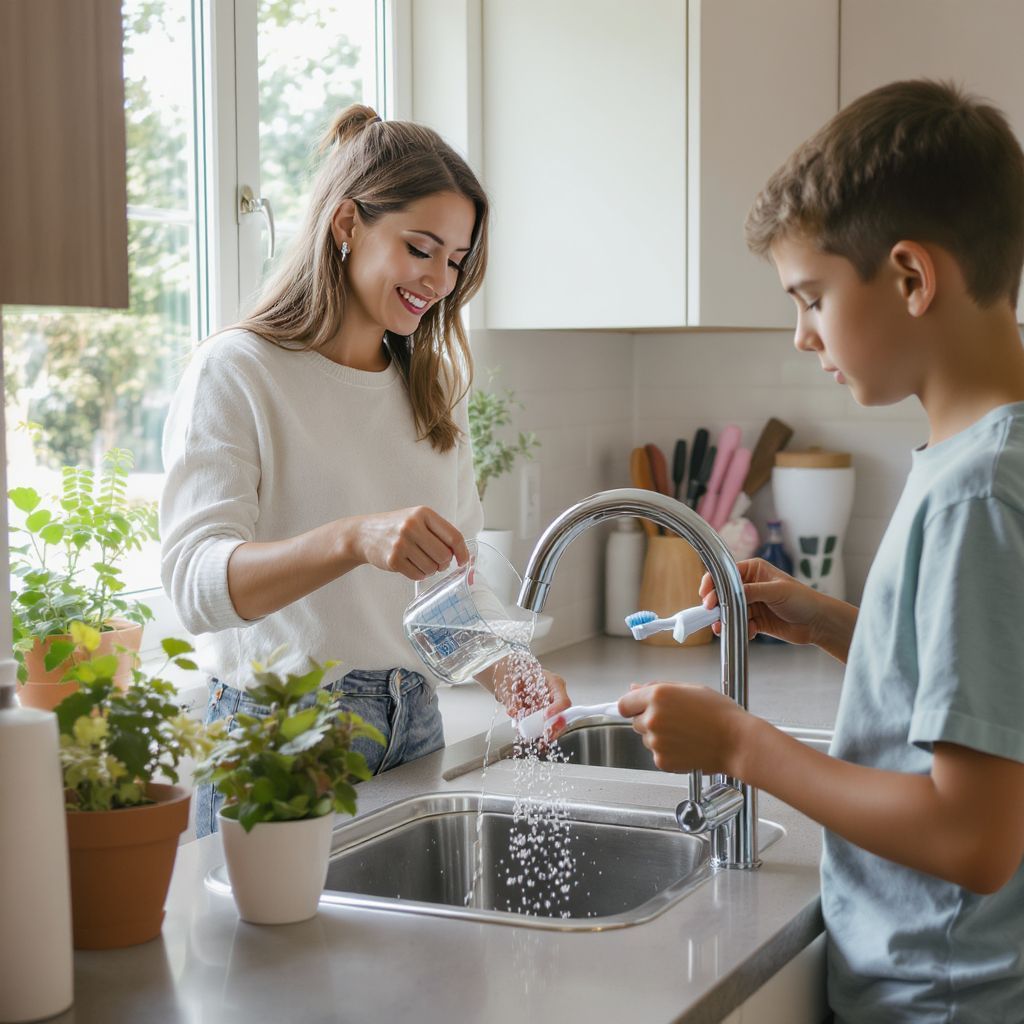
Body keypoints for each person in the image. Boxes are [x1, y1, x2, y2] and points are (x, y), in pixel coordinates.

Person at [616, 80, 1024, 1022]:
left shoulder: (977, 494)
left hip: (941, 998)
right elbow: (980, 693)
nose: (802, 335)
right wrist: (839, 625)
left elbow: (974, 837)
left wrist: (740, 745)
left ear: (913, 278)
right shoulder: (975, 460)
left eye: (812, 297)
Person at [160, 105, 569, 839]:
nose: (440, 280)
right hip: (280, 738)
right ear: (347, 223)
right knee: (279, 956)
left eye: (456, 260)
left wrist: (513, 676)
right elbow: (195, 585)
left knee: (412, 954)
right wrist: (352, 538)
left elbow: (447, 597)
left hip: (413, 723)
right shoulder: (240, 371)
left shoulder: (431, 391)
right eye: (422, 248)